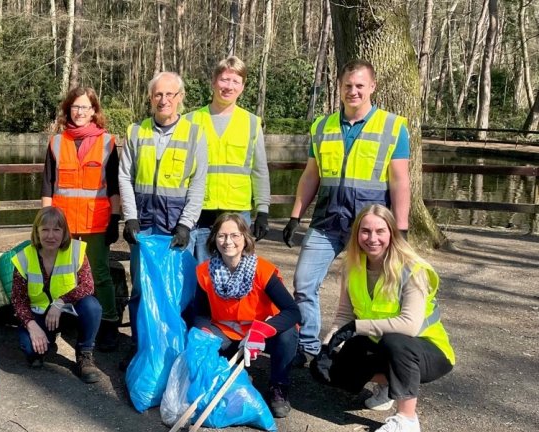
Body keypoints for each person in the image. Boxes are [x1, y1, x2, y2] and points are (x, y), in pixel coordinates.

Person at [283, 60, 411, 365]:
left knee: (374, 292)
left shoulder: (393, 127)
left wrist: (401, 228)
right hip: (328, 219)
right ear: (339, 88)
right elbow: (311, 175)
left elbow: (400, 180)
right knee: (303, 283)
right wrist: (294, 215)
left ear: (372, 87)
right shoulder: (322, 126)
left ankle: (365, 352)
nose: (353, 92)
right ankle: (309, 345)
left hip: (370, 227)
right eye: (347, 86)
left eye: (359, 86)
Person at [311, 204, 454, 432]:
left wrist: (358, 327)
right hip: (382, 344)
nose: (372, 238)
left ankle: (407, 420)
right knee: (329, 370)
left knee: (395, 341)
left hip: (427, 351)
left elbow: (409, 325)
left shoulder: (412, 269)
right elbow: (345, 315)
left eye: (380, 231)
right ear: (357, 234)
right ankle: (389, 387)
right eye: (365, 231)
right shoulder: (352, 268)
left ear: (392, 234)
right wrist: (329, 344)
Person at [118, 71, 207, 357]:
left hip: (175, 230)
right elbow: (124, 177)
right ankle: (141, 349)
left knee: (178, 292)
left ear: (180, 98)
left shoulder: (194, 134)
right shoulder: (136, 131)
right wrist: (129, 217)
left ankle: (174, 352)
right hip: (143, 226)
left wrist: (186, 224)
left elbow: (198, 184)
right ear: (150, 97)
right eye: (158, 94)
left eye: (170, 94)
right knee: (141, 290)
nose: (164, 100)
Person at [193, 213, 300, 418]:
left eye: (235, 235)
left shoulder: (262, 270)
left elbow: (293, 312)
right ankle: (227, 375)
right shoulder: (204, 272)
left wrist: (262, 331)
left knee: (288, 333)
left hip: (261, 334)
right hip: (227, 333)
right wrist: (205, 336)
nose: (228, 241)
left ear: (245, 238)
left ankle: (278, 386)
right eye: (222, 236)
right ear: (214, 239)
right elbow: (200, 314)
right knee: (200, 338)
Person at [41, 87, 121, 352]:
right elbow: (48, 187)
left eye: (86, 107)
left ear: (94, 111)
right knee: (60, 274)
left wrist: (115, 219)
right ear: (68, 110)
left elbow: (113, 188)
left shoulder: (108, 142)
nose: (80, 112)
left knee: (99, 274)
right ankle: (59, 320)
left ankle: (109, 324)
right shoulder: (56, 143)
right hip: (62, 224)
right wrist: (45, 223)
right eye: (75, 107)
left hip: (95, 224)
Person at [184, 56, 271, 263]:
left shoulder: (251, 122)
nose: (229, 86)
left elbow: (259, 170)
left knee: (236, 272)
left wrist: (263, 211)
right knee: (200, 273)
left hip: (237, 211)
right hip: (200, 210)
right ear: (214, 82)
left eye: (235, 81)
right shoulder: (191, 121)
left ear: (242, 87)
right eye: (224, 80)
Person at [10, 207, 104, 383]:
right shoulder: (24, 257)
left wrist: (60, 302)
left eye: (56, 230)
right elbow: (18, 300)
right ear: (37, 232)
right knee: (31, 351)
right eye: (45, 229)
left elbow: (88, 285)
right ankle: (47, 338)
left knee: (92, 306)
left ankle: (85, 354)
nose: (50, 236)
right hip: (39, 314)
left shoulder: (76, 251)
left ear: (64, 232)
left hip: (68, 311)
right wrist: (32, 326)